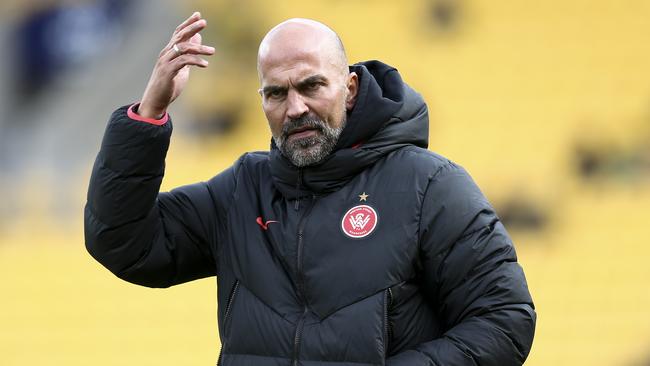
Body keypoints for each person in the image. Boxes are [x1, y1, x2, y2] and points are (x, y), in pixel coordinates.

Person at [85, 12, 536, 366]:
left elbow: (504, 321)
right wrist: (150, 112)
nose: (296, 107)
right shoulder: (243, 190)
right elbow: (124, 242)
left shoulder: (430, 186)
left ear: (351, 87)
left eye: (311, 86)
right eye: (276, 94)